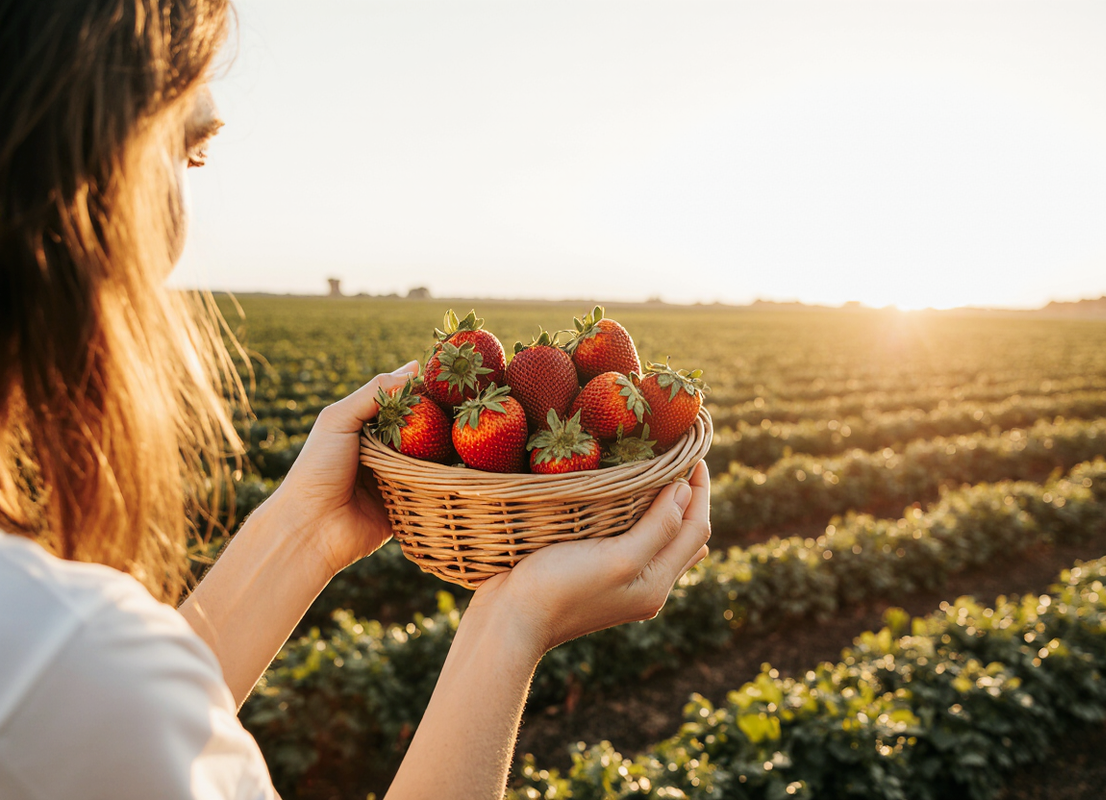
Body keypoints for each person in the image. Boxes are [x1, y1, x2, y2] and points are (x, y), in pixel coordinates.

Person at [0, 2, 712, 798]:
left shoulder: (51, 651)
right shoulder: (68, 659)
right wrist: (512, 622)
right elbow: (101, 700)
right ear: (78, 186)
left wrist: (308, 530)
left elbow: (99, 729)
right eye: (189, 152)